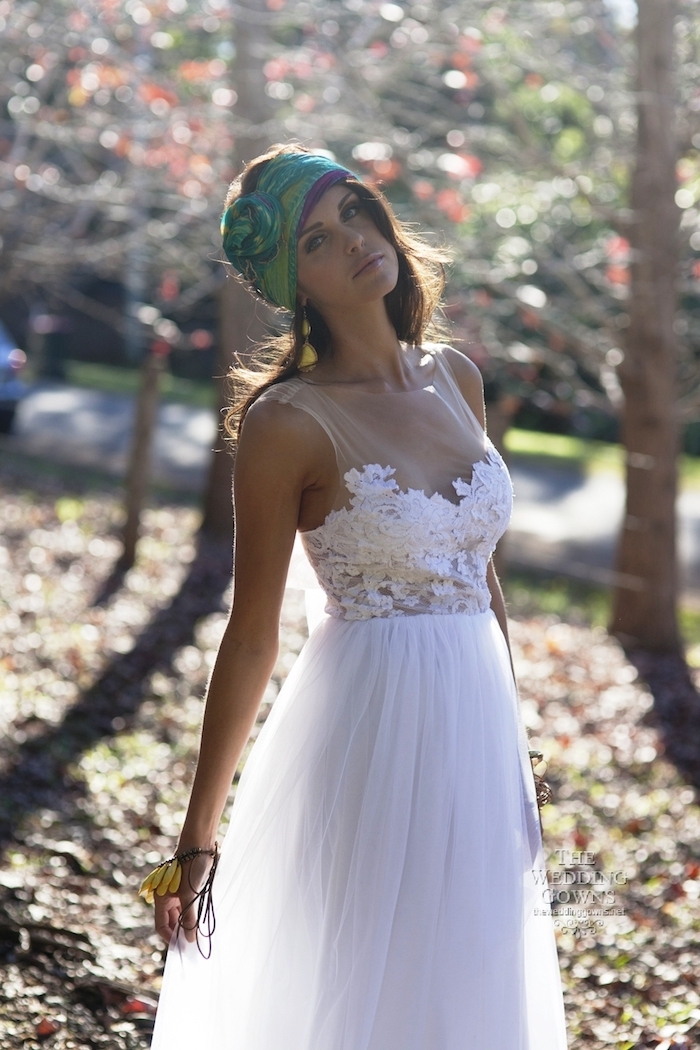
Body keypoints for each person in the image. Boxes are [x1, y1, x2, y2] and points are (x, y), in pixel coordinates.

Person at [146, 143, 569, 1049]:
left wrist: (517, 745)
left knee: (469, 975)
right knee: (368, 990)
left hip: (478, 726)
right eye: (317, 242)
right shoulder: (286, 423)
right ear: (289, 283)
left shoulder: (456, 377)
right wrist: (197, 840)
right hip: (371, 729)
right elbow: (251, 635)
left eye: (354, 216)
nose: (354, 244)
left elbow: (480, 575)